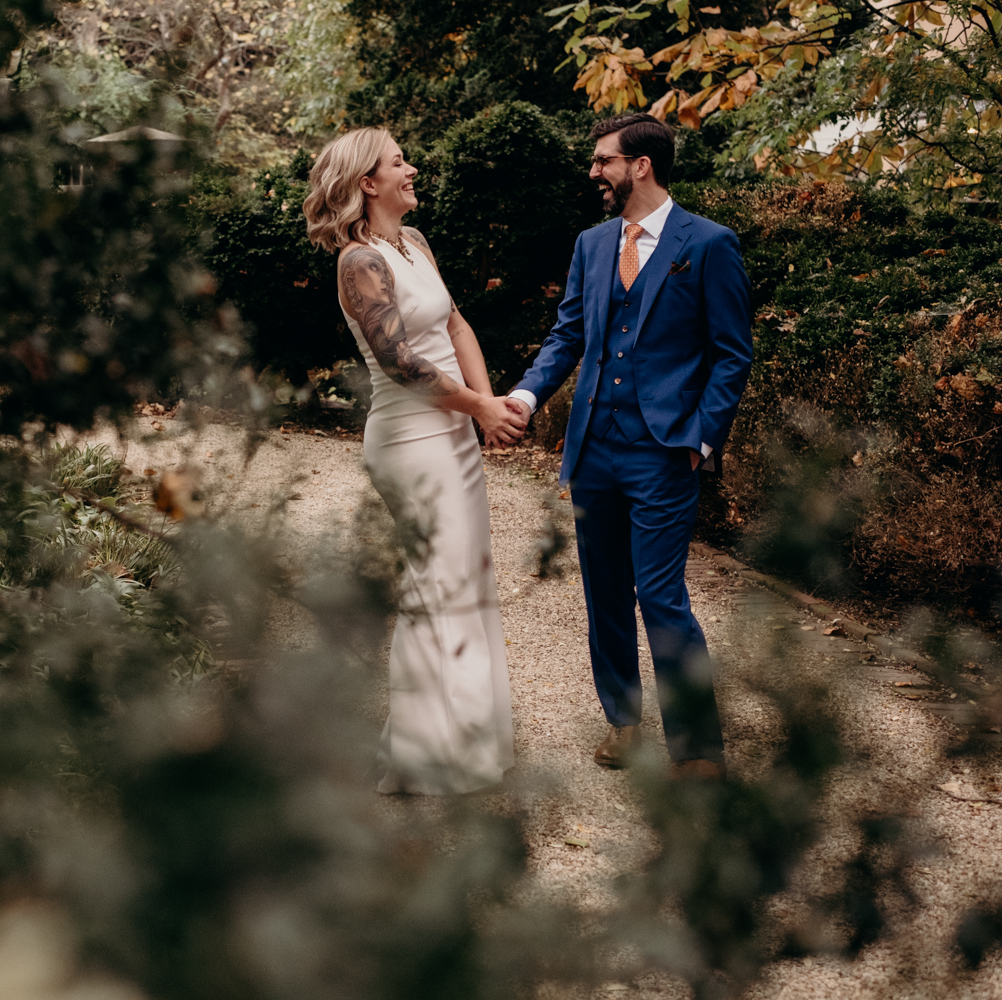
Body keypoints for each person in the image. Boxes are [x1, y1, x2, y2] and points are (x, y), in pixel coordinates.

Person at [495, 113, 752, 781]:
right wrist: (526, 396)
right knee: (605, 592)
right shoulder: (591, 244)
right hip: (594, 448)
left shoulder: (710, 244)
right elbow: (567, 335)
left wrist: (700, 436)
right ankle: (624, 722)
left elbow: (732, 355)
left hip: (664, 452)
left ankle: (696, 748)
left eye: (603, 160)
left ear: (640, 165)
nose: (594, 172)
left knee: (662, 597)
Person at [303, 128, 520, 794]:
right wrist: (477, 409)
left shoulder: (414, 245)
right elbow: (401, 362)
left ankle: (466, 744)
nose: (413, 168)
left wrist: (485, 407)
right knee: (435, 586)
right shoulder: (358, 262)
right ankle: (418, 758)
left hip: (452, 430)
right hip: (411, 441)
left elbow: (454, 326)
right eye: (399, 162)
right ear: (368, 183)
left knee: (465, 580)